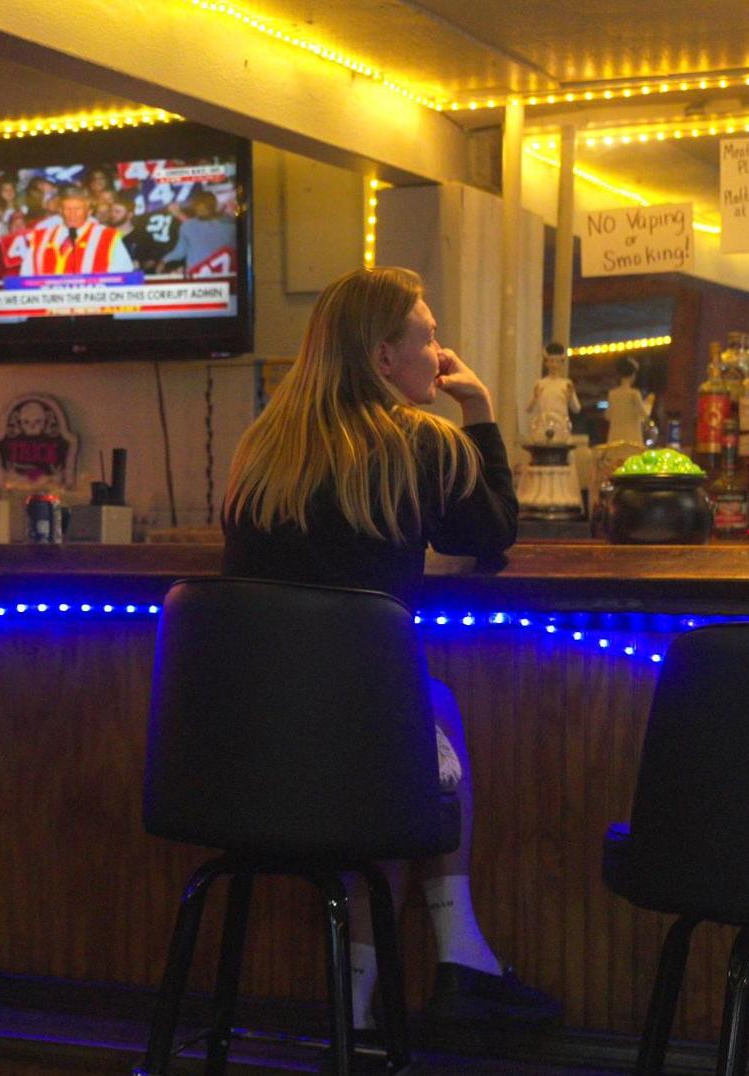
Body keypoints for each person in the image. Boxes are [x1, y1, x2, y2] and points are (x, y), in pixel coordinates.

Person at [221, 267, 561, 1051]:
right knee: (414, 711)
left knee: (409, 708)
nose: (440, 353)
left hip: (238, 763)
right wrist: (476, 407)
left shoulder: (260, 449)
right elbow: (489, 534)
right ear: (382, 357)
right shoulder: (423, 440)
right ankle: (457, 960)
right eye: (430, 338)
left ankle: (362, 1001)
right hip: (359, 757)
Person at [15, 185, 133, 276]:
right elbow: (26, 275)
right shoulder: (40, 238)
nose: (72, 214)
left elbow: (125, 274)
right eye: (67, 209)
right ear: (60, 210)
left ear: (89, 211)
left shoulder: (107, 237)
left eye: (78, 209)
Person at [159, 187, 238, 276]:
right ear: (194, 206)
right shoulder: (188, 226)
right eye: (198, 204)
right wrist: (165, 260)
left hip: (224, 278)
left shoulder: (231, 226)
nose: (201, 207)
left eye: (205, 204)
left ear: (213, 205)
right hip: (197, 277)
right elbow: (180, 251)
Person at [527, 341, 581, 444]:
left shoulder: (566, 384)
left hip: (561, 426)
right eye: (551, 361)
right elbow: (529, 409)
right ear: (546, 362)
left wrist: (570, 397)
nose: (554, 364)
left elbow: (577, 409)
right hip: (542, 425)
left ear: (561, 362)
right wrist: (535, 397)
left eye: (557, 361)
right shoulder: (540, 384)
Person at [605, 355, 655, 445]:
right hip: (632, 438)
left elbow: (607, 416)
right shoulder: (634, 394)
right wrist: (649, 403)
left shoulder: (612, 394)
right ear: (633, 375)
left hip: (614, 438)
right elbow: (644, 415)